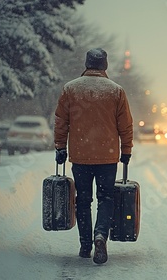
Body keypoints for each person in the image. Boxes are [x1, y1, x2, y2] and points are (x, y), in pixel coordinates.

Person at [53, 48, 133, 264]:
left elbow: (61, 120)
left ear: (87, 64)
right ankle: (100, 235)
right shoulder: (116, 91)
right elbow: (125, 125)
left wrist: (60, 146)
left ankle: (85, 244)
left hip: (80, 157)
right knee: (106, 198)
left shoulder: (70, 89)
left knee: (83, 200)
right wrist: (126, 150)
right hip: (107, 157)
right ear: (105, 65)